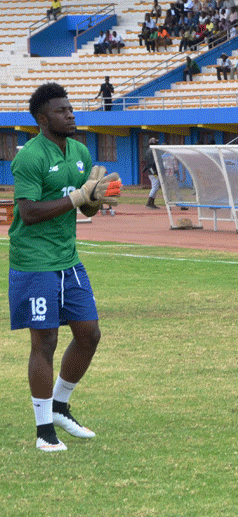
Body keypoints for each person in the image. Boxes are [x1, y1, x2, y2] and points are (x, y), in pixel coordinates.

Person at [9, 82, 122, 452]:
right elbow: (27, 211)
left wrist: (94, 197)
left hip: (67, 259)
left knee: (89, 334)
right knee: (45, 341)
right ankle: (44, 432)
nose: (70, 114)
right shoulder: (29, 157)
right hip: (34, 262)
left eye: (71, 109)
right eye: (61, 111)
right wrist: (77, 196)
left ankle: (59, 405)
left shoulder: (79, 151)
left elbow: (85, 208)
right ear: (42, 119)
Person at [143, 137, 161, 209]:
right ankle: (149, 203)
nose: (157, 143)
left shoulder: (148, 151)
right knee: (155, 187)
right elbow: (153, 162)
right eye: (156, 142)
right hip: (153, 172)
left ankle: (151, 203)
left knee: (155, 187)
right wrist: (156, 171)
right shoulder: (152, 151)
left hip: (151, 171)